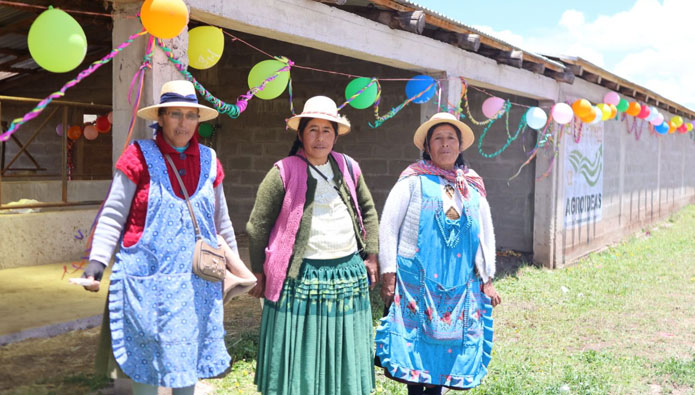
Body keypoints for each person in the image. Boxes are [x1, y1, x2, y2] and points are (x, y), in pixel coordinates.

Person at [80, 80, 238, 394]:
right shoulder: (138, 157)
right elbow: (113, 215)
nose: (183, 123)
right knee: (147, 361)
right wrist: (96, 264)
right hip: (147, 285)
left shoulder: (209, 161)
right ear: (161, 117)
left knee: (187, 359)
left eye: (190, 115)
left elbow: (221, 222)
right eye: (175, 114)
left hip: (197, 284)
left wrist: (236, 266)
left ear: (198, 120)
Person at [246, 96, 379, 395]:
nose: (320, 138)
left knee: (342, 344)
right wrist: (259, 271)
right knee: (301, 346)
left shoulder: (348, 167)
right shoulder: (283, 171)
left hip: (345, 274)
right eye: (313, 130)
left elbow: (368, 211)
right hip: (300, 276)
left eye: (327, 130)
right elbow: (257, 226)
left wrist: (371, 255)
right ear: (300, 134)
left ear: (335, 134)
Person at [374, 112, 501, 394]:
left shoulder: (471, 186)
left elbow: (484, 235)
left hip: (459, 285)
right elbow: (388, 228)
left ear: (460, 146)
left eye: (451, 139)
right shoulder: (411, 181)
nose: (445, 145)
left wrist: (487, 279)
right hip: (415, 284)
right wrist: (389, 274)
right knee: (416, 354)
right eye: (438, 139)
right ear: (428, 147)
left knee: (447, 357)